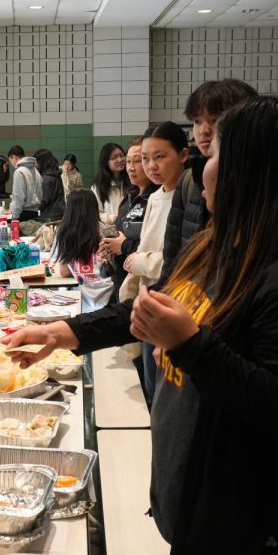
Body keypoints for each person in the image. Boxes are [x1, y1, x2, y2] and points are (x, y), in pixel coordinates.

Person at [4, 96, 278, 555]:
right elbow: (145, 307)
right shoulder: (218, 243)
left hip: (246, 512)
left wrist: (190, 345)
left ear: (253, 170)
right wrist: (64, 331)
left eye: (214, 155)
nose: (201, 170)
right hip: (193, 489)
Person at [121, 123, 189, 403]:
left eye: (159, 157)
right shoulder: (156, 196)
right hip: (149, 297)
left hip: (174, 303)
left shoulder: (189, 195)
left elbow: (182, 257)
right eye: (145, 158)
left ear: (183, 155)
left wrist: (139, 262)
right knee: (150, 385)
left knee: (167, 391)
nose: (151, 166)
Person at [163, 80, 258, 273]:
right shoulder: (189, 180)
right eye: (197, 121)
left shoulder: (258, 184)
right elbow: (173, 258)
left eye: (214, 119)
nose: (204, 130)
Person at [102, 136, 157, 296]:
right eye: (128, 162)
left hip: (143, 286)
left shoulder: (155, 199)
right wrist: (108, 244)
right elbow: (119, 230)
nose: (131, 168)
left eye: (138, 161)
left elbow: (155, 248)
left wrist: (124, 245)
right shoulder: (128, 197)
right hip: (121, 280)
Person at [49, 190, 105, 280]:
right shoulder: (105, 230)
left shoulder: (64, 232)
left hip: (80, 287)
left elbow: (64, 272)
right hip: (107, 287)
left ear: (69, 210)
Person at [91, 143, 130, 223]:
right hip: (110, 231)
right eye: (114, 157)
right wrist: (113, 218)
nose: (120, 160)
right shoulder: (98, 186)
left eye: (122, 155)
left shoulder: (132, 180)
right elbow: (95, 213)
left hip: (130, 229)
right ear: (106, 162)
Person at [8, 145, 41, 221]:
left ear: (14, 157)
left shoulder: (19, 172)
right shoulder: (35, 171)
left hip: (23, 214)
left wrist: (15, 217)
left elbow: (19, 197)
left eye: (11, 161)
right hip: (35, 213)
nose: (12, 164)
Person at [35, 149, 66, 222]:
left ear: (41, 162)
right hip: (59, 212)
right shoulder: (55, 174)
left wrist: (32, 209)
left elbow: (44, 200)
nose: (35, 165)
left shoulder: (46, 179)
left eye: (36, 162)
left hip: (49, 216)